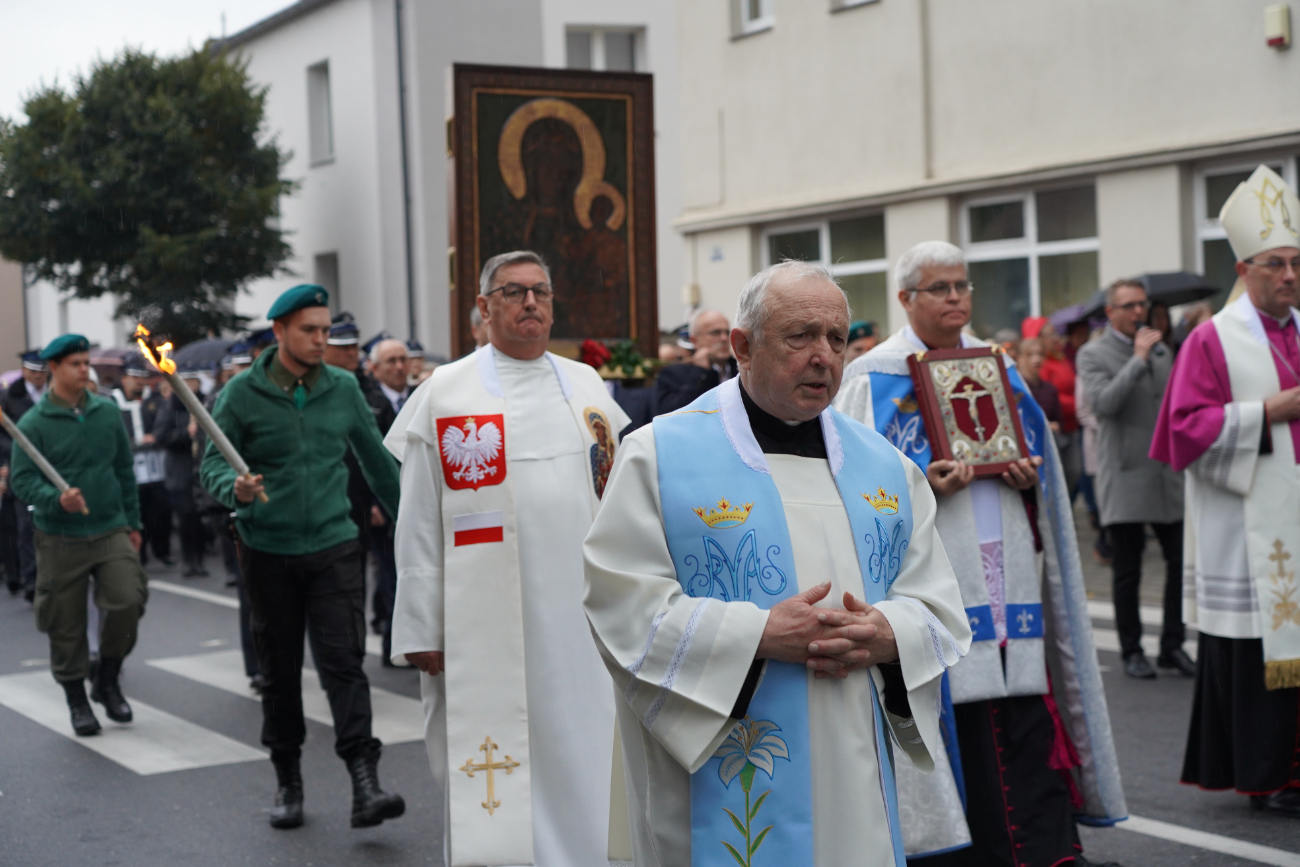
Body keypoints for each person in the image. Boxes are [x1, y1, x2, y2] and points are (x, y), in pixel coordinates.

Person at [584, 260, 970, 867]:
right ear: (741, 345)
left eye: (837, 339)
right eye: (801, 336)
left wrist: (887, 634)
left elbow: (938, 603)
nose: (825, 356)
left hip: (852, 764)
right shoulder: (658, 454)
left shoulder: (887, 467)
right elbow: (621, 605)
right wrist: (758, 634)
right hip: (717, 770)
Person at [837, 241, 1126, 865]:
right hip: (939, 573)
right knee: (958, 718)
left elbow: (1040, 461)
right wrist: (923, 481)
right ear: (905, 299)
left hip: (1008, 566)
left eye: (963, 287)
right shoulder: (872, 378)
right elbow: (855, 486)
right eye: (940, 289)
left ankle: (1046, 849)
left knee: (1022, 705)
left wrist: (1030, 477)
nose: (956, 299)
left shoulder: (998, 368)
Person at [386, 250, 630, 866]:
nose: (530, 303)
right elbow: (416, 518)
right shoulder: (446, 392)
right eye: (513, 292)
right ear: (484, 306)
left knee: (588, 751)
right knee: (497, 767)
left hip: (582, 618)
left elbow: (616, 497)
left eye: (541, 292)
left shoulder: (586, 386)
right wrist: (420, 623)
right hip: (486, 618)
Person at [200, 284, 405, 830]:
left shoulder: (342, 388)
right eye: (310, 331)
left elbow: (378, 461)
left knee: (344, 664)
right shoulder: (241, 394)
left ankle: (366, 781)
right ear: (280, 333)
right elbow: (211, 465)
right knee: (280, 669)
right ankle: (287, 779)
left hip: (335, 545)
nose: (321, 339)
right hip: (267, 550)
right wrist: (234, 488)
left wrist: (414, 522)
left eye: (324, 330)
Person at [1150, 164, 1300, 817]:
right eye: (1275, 264)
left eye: (1297, 262)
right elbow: (1182, 432)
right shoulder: (1214, 339)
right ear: (1244, 268)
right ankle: (1267, 773)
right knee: (1259, 654)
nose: (1290, 276)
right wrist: (1268, 411)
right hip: (1250, 532)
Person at [10, 334, 147, 737]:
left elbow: (124, 470)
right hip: (60, 537)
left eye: (86, 362)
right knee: (64, 622)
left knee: (127, 600)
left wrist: (133, 523)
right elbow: (22, 481)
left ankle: (107, 677)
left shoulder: (106, 412)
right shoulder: (33, 424)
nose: (84, 370)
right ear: (53, 368)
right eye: (74, 364)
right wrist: (54, 499)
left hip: (109, 528)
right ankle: (76, 700)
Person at [1076, 279, 1191, 680]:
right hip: (1124, 475)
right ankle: (1131, 649)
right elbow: (1105, 404)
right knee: (1129, 568)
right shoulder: (1092, 353)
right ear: (1110, 312)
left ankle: (1172, 645)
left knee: (1179, 563)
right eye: (1127, 306)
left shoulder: (1163, 349)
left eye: (1141, 304)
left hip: (1165, 473)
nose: (1137, 312)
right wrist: (1137, 360)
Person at [364, 338, 410, 665]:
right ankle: (393, 645)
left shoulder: (419, 398)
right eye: (391, 361)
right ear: (376, 369)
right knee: (390, 574)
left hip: (413, 498)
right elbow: (365, 457)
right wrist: (373, 502)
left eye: (402, 360)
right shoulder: (370, 403)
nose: (399, 367)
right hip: (383, 505)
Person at [114, 355, 171, 568]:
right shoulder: (112, 401)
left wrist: (155, 436)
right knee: (136, 509)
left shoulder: (155, 399)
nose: (139, 382)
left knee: (160, 510)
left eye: (142, 377)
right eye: (134, 377)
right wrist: (131, 442)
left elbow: (164, 423)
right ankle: (141, 553)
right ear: (124, 378)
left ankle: (162, 550)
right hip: (129, 467)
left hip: (155, 466)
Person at [1, 350, 48, 600]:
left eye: (43, 372)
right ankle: (30, 580)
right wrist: (20, 450)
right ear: (25, 372)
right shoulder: (8, 397)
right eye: (34, 372)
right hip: (23, 468)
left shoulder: (54, 394)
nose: (39, 376)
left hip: (53, 467)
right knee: (26, 527)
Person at [153, 362, 207, 577]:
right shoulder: (170, 407)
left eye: (193, 382)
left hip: (201, 469)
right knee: (186, 517)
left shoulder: (205, 402)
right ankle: (188, 560)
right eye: (186, 382)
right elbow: (162, 436)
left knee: (201, 517)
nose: (190, 386)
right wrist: (186, 433)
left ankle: (200, 560)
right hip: (180, 471)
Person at [655, 308, 738, 414]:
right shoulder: (673, 374)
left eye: (727, 332)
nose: (724, 338)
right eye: (716, 332)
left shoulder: (741, 370)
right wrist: (700, 372)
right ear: (695, 340)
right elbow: (671, 413)